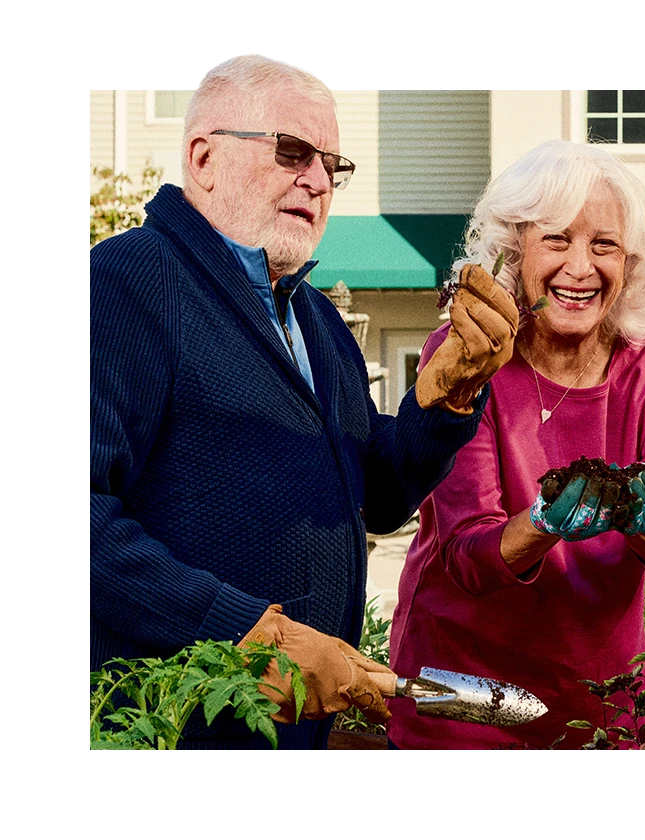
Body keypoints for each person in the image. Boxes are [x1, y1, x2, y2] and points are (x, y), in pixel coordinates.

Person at [89, 54, 518, 751]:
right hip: (172, 738)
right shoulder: (122, 284)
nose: (318, 181)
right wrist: (243, 635)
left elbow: (374, 493)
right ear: (203, 158)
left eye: (332, 166)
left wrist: (444, 400)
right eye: (293, 152)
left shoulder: (313, 315)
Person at [387, 140, 645, 751]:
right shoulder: (467, 356)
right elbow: (464, 554)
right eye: (556, 240)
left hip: (603, 695)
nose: (580, 267)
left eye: (604, 244)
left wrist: (643, 512)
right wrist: (544, 522)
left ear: (630, 262)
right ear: (516, 251)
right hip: (465, 693)